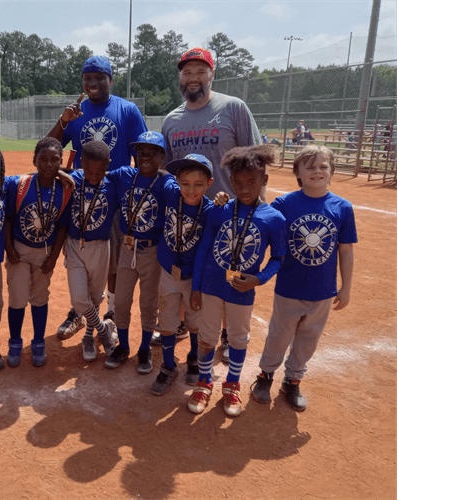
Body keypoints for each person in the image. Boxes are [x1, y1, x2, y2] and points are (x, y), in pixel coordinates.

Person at [161, 47, 265, 361]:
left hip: (231, 212)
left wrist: (257, 210)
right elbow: (168, 172)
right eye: (186, 72)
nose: (193, 78)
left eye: (199, 71)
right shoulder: (172, 120)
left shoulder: (233, 108)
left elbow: (257, 160)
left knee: (231, 274)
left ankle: (228, 333)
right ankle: (182, 323)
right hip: (188, 216)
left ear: (212, 74)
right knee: (190, 271)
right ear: (180, 77)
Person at [47, 55, 148, 341]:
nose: (91, 83)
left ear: (110, 80)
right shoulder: (76, 113)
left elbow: (141, 156)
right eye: (86, 78)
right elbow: (50, 147)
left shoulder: (126, 110)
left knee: (112, 260)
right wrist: (63, 120)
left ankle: (111, 314)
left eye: (98, 77)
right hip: (80, 198)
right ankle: (80, 313)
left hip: (114, 197)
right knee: (80, 258)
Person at [250, 146, 356, 411]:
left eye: (323, 166)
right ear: (297, 172)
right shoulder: (285, 204)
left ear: (331, 170)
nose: (317, 171)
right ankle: (266, 375)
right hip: (289, 286)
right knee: (279, 334)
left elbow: (345, 249)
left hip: (322, 290)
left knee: (309, 338)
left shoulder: (342, 207)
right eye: (310, 167)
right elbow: (264, 228)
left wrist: (346, 288)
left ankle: (293, 380)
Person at [187, 144, 287, 418]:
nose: (244, 189)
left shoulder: (274, 218)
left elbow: (279, 258)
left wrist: (258, 279)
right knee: (206, 337)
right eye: (238, 183)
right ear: (230, 181)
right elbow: (204, 248)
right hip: (210, 285)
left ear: (264, 180)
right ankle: (205, 382)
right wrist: (196, 287)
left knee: (238, 339)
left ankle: (232, 385)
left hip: (241, 289)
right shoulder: (219, 210)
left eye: (251, 182)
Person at [104, 131, 172, 373]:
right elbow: (95, 174)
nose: (145, 157)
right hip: (127, 248)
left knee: (148, 302)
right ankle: (123, 345)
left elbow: (186, 194)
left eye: (152, 153)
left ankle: (144, 348)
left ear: (162, 156)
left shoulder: (165, 182)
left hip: (151, 252)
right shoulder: (124, 175)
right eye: (140, 152)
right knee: (121, 301)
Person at [3, 137, 73, 368]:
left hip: (45, 252)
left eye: (55, 160)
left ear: (61, 163)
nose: (48, 164)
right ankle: (15, 341)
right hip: (20, 251)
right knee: (17, 298)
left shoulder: (64, 190)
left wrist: (53, 257)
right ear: (34, 160)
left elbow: (62, 225)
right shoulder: (19, 185)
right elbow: (8, 219)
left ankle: (38, 341)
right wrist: (10, 249)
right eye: (42, 159)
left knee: (40, 299)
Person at [152, 154, 216, 395]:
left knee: (194, 321)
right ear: (178, 181)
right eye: (185, 183)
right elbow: (163, 173)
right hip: (169, 272)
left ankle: (193, 357)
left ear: (209, 183)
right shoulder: (171, 191)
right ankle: (169, 366)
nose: (191, 190)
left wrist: (221, 200)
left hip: (194, 277)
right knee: (167, 322)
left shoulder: (210, 210)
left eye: (199, 185)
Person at [62, 140, 120, 361]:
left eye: (100, 170)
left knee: (94, 297)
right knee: (79, 299)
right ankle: (103, 330)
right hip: (75, 245)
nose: (94, 175)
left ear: (107, 164)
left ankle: (88, 335)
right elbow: (47, 171)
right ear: (81, 163)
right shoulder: (73, 180)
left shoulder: (113, 184)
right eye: (88, 170)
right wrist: (62, 172)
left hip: (100, 246)